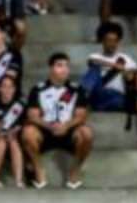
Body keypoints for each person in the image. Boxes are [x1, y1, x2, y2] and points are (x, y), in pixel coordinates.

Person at [23, 53, 94, 189]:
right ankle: (39, 171)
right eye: (59, 66)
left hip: (69, 131)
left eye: (66, 66)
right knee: (28, 133)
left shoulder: (76, 89)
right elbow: (32, 115)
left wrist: (66, 126)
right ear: (51, 68)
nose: (64, 69)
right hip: (45, 131)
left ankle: (75, 171)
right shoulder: (38, 89)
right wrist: (49, 126)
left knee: (87, 133)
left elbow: (81, 115)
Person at [83, 22, 137, 113]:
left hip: (116, 95)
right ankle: (84, 97)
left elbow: (133, 75)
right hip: (98, 92)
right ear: (102, 41)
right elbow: (92, 61)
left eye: (115, 40)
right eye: (108, 40)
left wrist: (127, 73)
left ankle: (92, 104)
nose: (112, 44)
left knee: (120, 101)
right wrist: (114, 65)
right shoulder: (95, 56)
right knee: (94, 70)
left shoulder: (125, 59)